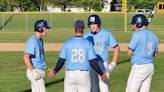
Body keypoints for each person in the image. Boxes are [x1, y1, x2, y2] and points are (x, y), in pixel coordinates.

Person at [48, 20, 107, 92]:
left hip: (70, 74)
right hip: (83, 75)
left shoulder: (67, 42)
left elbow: (61, 60)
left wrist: (54, 71)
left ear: (74, 29)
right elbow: (93, 61)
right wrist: (101, 73)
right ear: (83, 29)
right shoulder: (88, 43)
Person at [83, 14, 120, 92]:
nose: (92, 26)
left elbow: (116, 47)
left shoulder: (107, 33)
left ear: (99, 24)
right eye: (91, 24)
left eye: (95, 24)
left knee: (104, 88)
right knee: (91, 88)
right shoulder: (86, 36)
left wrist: (113, 63)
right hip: (90, 64)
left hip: (103, 64)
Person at [125, 14, 158, 92]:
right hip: (150, 67)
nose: (133, 26)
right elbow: (155, 54)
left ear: (138, 24)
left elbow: (129, 53)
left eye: (134, 24)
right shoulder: (153, 35)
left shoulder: (137, 34)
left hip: (139, 68)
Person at [23, 20, 51, 92]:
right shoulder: (33, 40)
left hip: (39, 70)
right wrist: (33, 71)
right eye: (46, 28)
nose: (47, 30)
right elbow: (26, 57)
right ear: (40, 29)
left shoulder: (40, 40)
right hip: (34, 71)